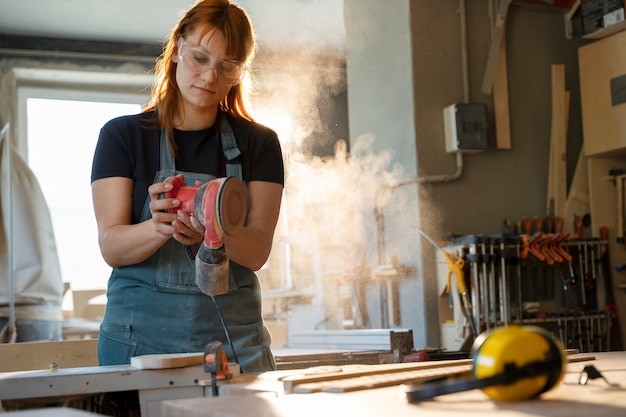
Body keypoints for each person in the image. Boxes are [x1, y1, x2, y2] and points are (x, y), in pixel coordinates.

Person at [91, 0, 284, 374]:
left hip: (233, 344)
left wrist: (216, 230)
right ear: (178, 48)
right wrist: (159, 226)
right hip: (137, 343)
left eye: (227, 66)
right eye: (200, 58)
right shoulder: (122, 136)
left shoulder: (259, 143)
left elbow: (258, 251)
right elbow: (111, 246)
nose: (210, 77)